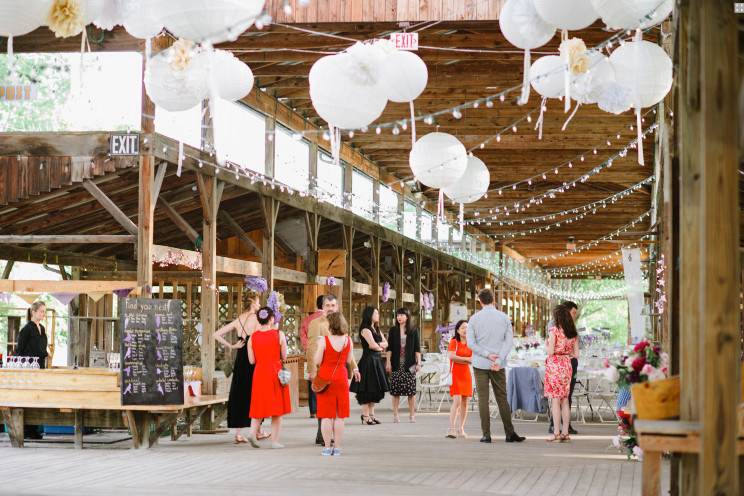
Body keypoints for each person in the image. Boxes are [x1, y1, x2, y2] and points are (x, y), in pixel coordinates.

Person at [469, 288, 525, 443]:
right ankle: (509, 433)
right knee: (502, 398)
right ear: (493, 300)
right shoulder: (504, 317)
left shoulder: (474, 319)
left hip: (481, 363)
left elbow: (471, 343)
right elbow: (509, 342)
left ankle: (486, 434)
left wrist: (487, 354)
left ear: (480, 301)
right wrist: (499, 359)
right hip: (498, 365)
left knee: (483, 399)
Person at [214, 296, 269, 444]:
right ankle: (257, 431)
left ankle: (239, 434)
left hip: (240, 359)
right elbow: (263, 337)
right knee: (255, 394)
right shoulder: (258, 319)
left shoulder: (239, 319)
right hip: (254, 359)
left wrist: (232, 346)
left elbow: (216, 334)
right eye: (258, 301)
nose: (259, 304)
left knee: (240, 393)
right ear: (252, 303)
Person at [306, 294, 359, 445]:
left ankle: (324, 437)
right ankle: (323, 436)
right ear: (322, 307)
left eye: (333, 305)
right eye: (327, 305)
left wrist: (354, 367)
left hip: (337, 373)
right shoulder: (316, 323)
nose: (330, 308)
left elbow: (348, 352)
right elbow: (311, 348)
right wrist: (312, 371)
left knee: (334, 408)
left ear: (337, 306)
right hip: (322, 370)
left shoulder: (341, 323)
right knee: (324, 407)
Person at [246, 307, 291, 449]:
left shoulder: (252, 337)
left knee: (258, 405)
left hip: (259, 373)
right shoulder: (279, 334)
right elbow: (284, 356)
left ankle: (252, 433)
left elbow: (252, 361)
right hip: (275, 372)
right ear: (271, 319)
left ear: (259, 319)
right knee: (277, 409)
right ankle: (275, 441)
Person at [545, 304, 580, 442]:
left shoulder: (554, 331)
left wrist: (547, 344)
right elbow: (576, 354)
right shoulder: (573, 333)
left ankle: (556, 432)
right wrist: (567, 353)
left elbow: (550, 351)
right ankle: (566, 432)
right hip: (567, 364)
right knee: (565, 400)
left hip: (555, 365)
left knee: (555, 400)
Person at [350, 306, 389, 425]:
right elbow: (372, 345)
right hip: (368, 361)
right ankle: (365, 416)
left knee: (375, 389)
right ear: (369, 315)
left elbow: (386, 343)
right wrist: (379, 346)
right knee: (367, 389)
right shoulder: (365, 329)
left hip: (377, 361)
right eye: (375, 313)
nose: (378, 315)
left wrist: (379, 345)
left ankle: (372, 415)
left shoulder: (376, 328)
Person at [16, 300, 48, 440]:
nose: (43, 314)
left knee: (38, 398)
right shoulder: (27, 329)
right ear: (33, 312)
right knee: (28, 399)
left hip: (40, 367)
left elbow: (42, 348)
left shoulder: (42, 328)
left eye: (44, 311)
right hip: (29, 368)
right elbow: (19, 350)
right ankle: (28, 429)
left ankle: (34, 427)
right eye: (41, 311)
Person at [385, 307, 421, 423]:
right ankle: (395, 415)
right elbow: (389, 348)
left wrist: (419, 363)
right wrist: (388, 362)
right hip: (396, 363)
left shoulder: (414, 330)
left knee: (411, 392)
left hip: (409, 364)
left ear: (407, 317)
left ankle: (412, 415)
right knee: (395, 392)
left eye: (401, 315)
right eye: (397, 315)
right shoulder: (393, 330)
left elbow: (417, 349)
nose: (399, 317)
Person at [446, 320, 473, 439]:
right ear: (457, 330)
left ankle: (461, 428)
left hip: (466, 374)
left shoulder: (471, 343)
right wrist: (466, 360)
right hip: (455, 374)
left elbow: (473, 357)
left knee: (465, 402)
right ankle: (451, 429)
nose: (465, 330)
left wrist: (462, 359)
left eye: (467, 327)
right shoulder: (454, 342)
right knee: (456, 401)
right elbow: (451, 356)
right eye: (463, 328)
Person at [300, 295, 325, 419]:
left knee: (311, 380)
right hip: (325, 354)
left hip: (310, 354)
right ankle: (323, 408)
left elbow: (303, 336)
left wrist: (308, 348)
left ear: (316, 305)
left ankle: (313, 411)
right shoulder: (328, 319)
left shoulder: (307, 319)